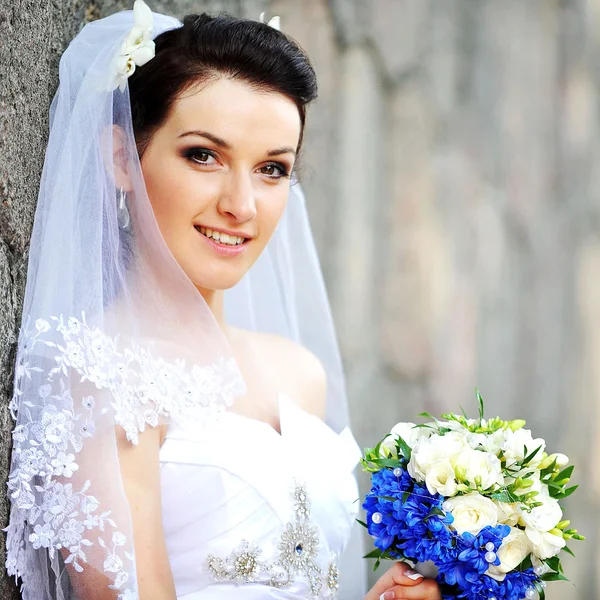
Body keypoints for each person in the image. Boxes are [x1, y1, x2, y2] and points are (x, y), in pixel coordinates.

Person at [3, 3, 442, 600]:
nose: (243, 204)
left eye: (271, 168)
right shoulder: (102, 370)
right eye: (203, 155)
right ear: (121, 159)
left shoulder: (299, 373)